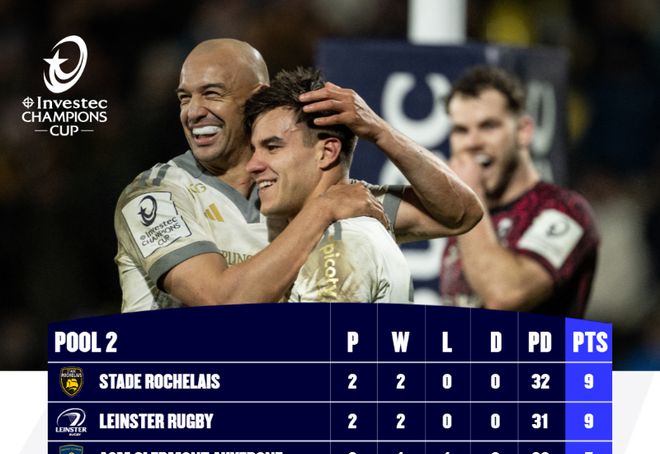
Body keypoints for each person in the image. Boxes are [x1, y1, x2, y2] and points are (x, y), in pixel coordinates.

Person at [114, 39, 483, 311]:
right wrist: (321, 211)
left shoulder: (291, 190)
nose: (193, 111)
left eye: (211, 94)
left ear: (255, 96)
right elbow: (220, 303)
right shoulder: (155, 196)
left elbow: (460, 213)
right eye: (184, 98)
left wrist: (380, 131)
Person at [439, 65, 599, 317]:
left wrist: (470, 196)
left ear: (523, 131)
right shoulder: (465, 218)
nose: (472, 142)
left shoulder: (566, 210)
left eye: (488, 126)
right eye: (461, 130)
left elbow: (505, 296)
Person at [245, 67, 412, 302]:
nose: (252, 165)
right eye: (254, 150)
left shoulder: (340, 243)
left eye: (272, 147)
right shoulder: (340, 235)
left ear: (326, 152)